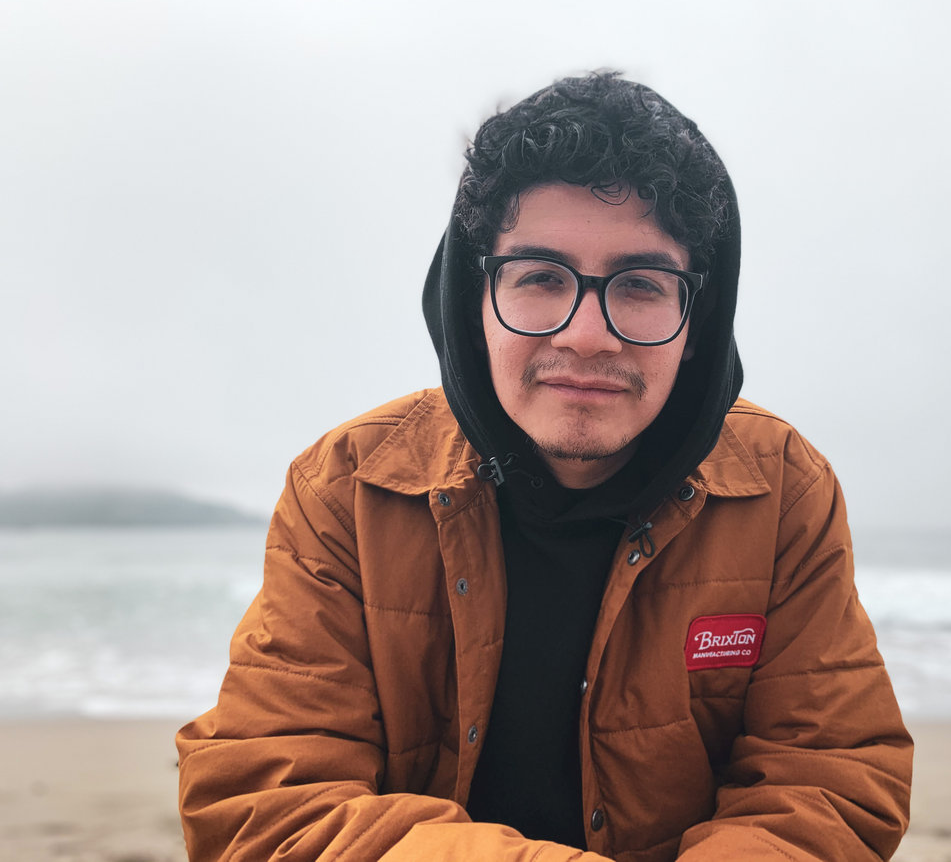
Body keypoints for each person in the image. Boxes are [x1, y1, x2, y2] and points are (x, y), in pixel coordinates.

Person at [176, 71, 912, 861]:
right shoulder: (349, 485)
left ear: (696, 321)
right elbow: (271, 802)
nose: (588, 335)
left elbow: (830, 780)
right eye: (540, 278)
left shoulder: (782, 488)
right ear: (476, 301)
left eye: (641, 285)